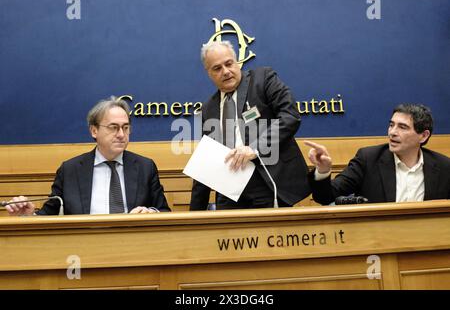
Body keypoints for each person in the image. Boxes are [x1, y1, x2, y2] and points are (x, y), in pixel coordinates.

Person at [190, 40, 310, 210]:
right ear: (208, 73)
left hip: (268, 182)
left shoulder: (263, 79)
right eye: (217, 68)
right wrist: (194, 218)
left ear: (237, 61)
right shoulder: (208, 109)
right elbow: (205, 165)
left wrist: (255, 148)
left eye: (229, 64)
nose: (226, 72)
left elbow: (290, 116)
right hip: (229, 192)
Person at [6, 97, 171, 215]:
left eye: (125, 127)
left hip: (134, 247)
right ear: (94, 131)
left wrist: (150, 212)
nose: (121, 134)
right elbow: (51, 214)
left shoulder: (145, 167)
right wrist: (29, 215)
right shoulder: (70, 170)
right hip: (83, 250)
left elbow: (164, 211)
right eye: (113, 127)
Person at [305, 104, 450, 204]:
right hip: (378, 241)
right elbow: (325, 197)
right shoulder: (368, 159)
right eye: (391, 125)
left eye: (402, 127)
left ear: (423, 136)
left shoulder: (444, 167)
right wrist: (323, 171)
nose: (392, 132)